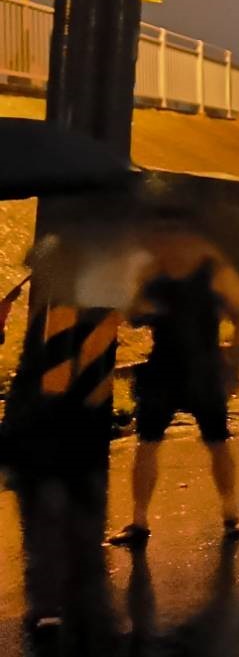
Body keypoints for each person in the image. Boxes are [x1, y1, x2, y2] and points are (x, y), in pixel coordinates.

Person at [0, 230, 141, 649]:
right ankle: (77, 609)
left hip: (46, 425)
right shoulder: (101, 299)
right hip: (72, 425)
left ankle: (54, 608)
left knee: (47, 519)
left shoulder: (55, 306)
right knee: (72, 516)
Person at [106, 229, 239, 548]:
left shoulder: (214, 270)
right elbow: (133, 318)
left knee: (217, 441)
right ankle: (138, 522)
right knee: (147, 443)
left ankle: (231, 515)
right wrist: (136, 292)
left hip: (205, 370)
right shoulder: (152, 272)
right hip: (163, 369)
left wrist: (233, 364)